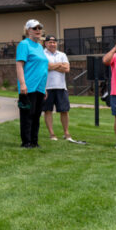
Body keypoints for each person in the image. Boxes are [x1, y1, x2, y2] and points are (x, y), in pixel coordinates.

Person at [16, 19, 49, 148]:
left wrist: (44, 88)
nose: (38, 31)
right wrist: (22, 84)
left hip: (40, 87)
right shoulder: (24, 44)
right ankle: (26, 142)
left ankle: (34, 141)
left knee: (36, 115)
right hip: (28, 86)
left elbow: (42, 68)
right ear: (28, 30)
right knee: (27, 115)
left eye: (39, 28)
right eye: (34, 28)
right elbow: (19, 65)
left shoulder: (40, 47)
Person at [42, 34, 74, 141]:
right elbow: (45, 67)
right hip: (47, 87)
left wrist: (52, 66)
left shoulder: (62, 54)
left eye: (54, 42)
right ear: (45, 43)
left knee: (64, 110)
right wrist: (59, 65)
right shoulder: (42, 54)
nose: (52, 44)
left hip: (61, 87)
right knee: (48, 111)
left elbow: (67, 69)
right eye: (50, 42)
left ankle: (66, 132)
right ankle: (52, 134)